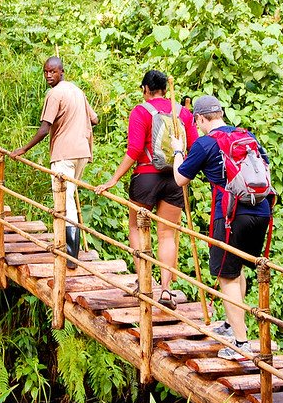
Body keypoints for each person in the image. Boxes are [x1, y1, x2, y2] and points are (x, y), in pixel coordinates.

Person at [171, 95, 273, 360]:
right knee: (236, 268)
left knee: (226, 275)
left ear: (202, 118)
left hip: (230, 214)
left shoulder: (206, 143)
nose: (199, 125)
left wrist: (177, 151)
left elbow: (180, 178)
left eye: (198, 121)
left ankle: (241, 343)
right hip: (261, 210)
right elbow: (265, 165)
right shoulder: (246, 136)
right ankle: (230, 325)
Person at [95, 70, 198, 309]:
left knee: (136, 226)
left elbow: (133, 150)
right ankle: (165, 290)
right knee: (168, 235)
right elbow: (192, 146)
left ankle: (144, 281)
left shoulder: (141, 111)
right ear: (164, 88)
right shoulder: (182, 112)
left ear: (145, 89)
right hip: (175, 178)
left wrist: (112, 180)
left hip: (145, 176)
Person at [11, 56, 99, 269]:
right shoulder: (77, 91)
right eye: (46, 72)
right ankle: (69, 249)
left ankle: (70, 253)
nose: (49, 76)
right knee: (69, 197)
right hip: (82, 153)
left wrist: (23, 149)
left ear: (62, 72)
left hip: (64, 155)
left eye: (53, 72)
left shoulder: (55, 94)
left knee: (65, 201)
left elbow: (44, 129)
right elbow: (95, 120)